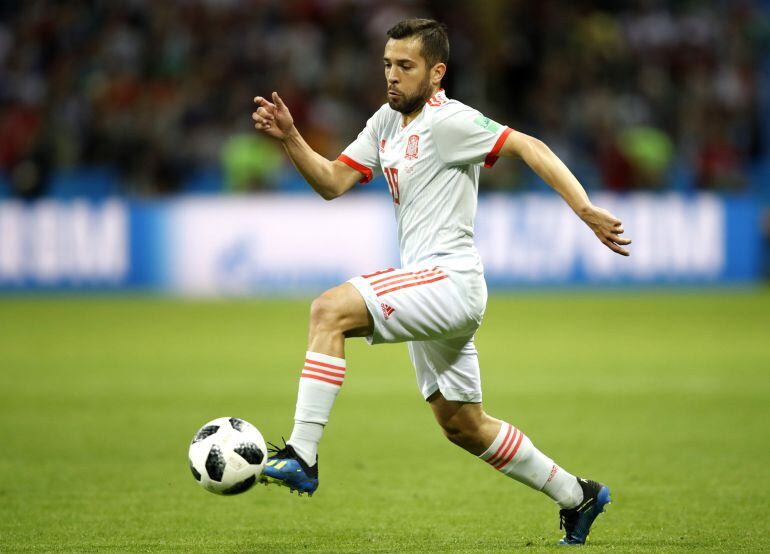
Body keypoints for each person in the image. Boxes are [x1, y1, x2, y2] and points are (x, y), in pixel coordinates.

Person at [252, 18, 631, 546]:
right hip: (426, 285)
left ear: (436, 73)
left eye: (405, 67)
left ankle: (302, 454)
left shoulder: (449, 121)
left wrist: (585, 208)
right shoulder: (386, 122)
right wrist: (292, 137)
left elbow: (528, 146)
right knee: (462, 425)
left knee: (328, 311)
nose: (392, 76)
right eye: (387, 64)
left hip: (449, 280)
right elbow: (333, 183)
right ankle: (579, 495)